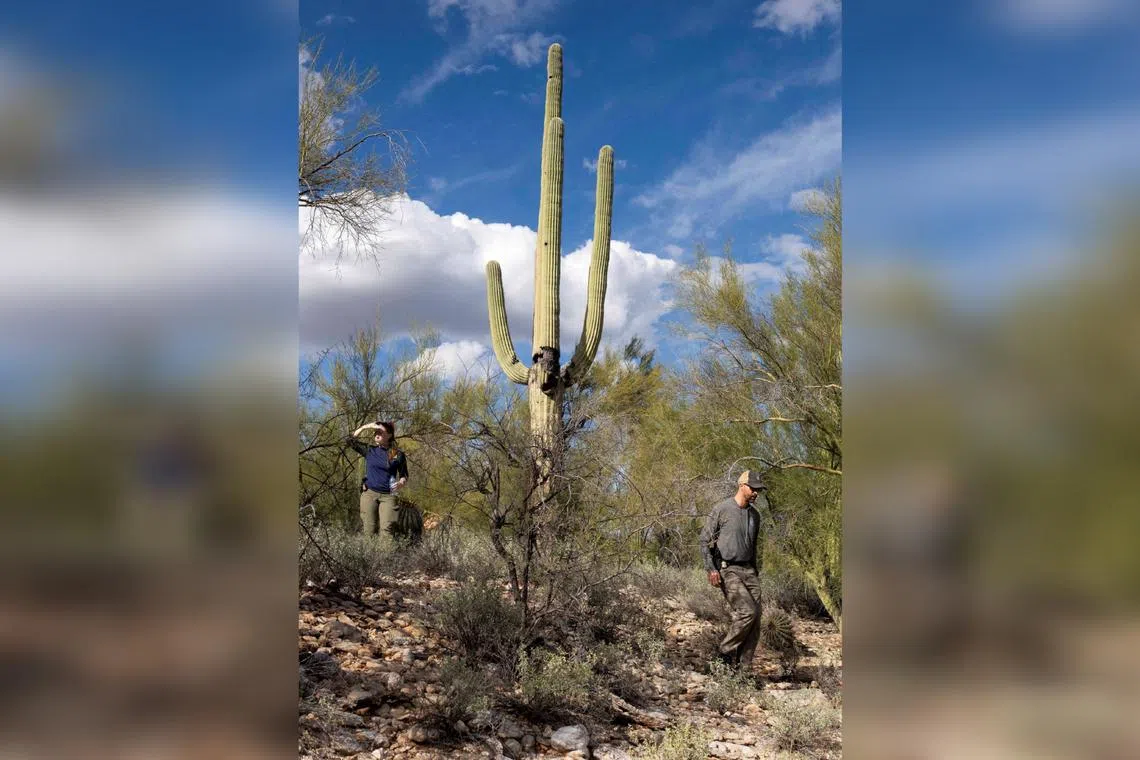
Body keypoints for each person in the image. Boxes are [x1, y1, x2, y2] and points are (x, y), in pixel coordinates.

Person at [699, 469, 768, 671]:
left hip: (749, 571)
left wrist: (755, 572)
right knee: (747, 612)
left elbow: (754, 547)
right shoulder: (722, 509)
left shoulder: (755, 516)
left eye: (758, 489)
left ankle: (743, 670)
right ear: (742, 486)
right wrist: (711, 569)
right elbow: (704, 540)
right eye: (753, 488)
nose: (756, 492)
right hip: (728, 570)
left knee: (756, 620)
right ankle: (723, 655)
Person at [345, 420, 409, 539]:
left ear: (389, 435)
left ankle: (385, 557)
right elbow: (349, 441)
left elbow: (404, 475)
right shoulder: (370, 450)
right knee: (369, 531)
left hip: (389, 496)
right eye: (375, 431)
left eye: (380, 431)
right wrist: (366, 427)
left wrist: (401, 483)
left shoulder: (395, 453)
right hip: (369, 494)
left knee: (387, 532)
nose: (376, 433)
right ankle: (370, 557)